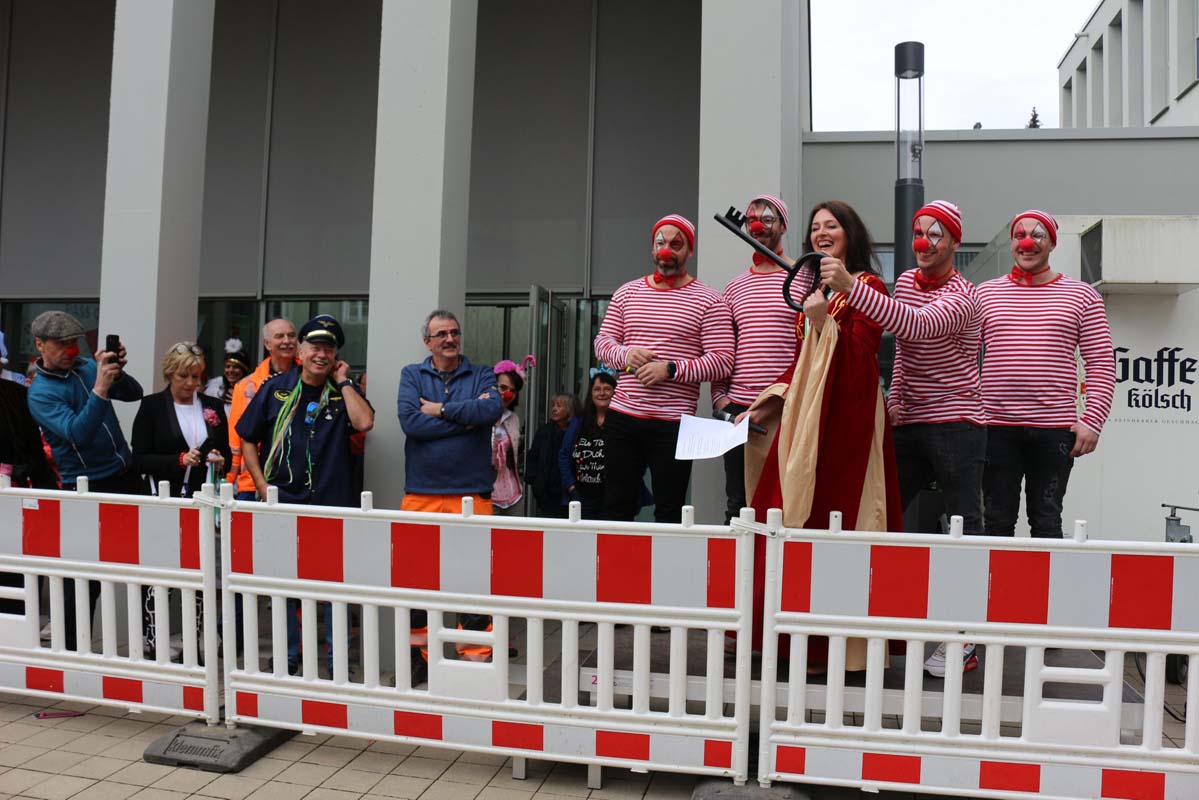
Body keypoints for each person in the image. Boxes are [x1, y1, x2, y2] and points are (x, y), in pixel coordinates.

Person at [821, 200, 984, 679]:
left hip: (957, 423)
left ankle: (965, 638)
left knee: (963, 530)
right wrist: (895, 400)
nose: (924, 243)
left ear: (954, 241)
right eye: (919, 232)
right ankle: (867, 627)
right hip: (911, 423)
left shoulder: (964, 295)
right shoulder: (908, 282)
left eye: (936, 234)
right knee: (882, 514)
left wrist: (850, 287)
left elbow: (916, 327)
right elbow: (906, 355)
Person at [742, 201, 904, 671]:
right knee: (785, 513)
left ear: (850, 234)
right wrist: (766, 403)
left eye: (831, 225)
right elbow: (802, 365)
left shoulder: (866, 287)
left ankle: (838, 649)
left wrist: (820, 321)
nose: (821, 233)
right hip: (805, 421)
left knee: (839, 517)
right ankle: (788, 639)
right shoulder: (816, 292)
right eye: (815, 227)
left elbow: (862, 358)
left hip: (846, 422)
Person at [237, 314, 374, 674]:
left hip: (332, 504)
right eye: (314, 346)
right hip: (285, 501)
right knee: (284, 584)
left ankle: (337, 661)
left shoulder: (342, 392)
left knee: (334, 587)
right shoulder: (275, 388)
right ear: (300, 350)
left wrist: (343, 381)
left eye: (329, 348)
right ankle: (288, 655)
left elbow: (364, 422)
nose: (321, 354)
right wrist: (262, 485)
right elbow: (247, 437)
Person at [977, 209, 1115, 537]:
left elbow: (1101, 362)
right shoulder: (984, 294)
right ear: (1012, 243)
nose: (1027, 242)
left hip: (1054, 430)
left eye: (1037, 235)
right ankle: (999, 575)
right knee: (995, 521)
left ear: (1052, 243)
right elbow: (963, 357)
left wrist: (1093, 420)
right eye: (1019, 235)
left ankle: (1049, 575)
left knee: (1047, 521)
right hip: (995, 428)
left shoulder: (1082, 296)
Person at [593, 214, 735, 522]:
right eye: (660, 242)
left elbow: (723, 360)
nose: (666, 250)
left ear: (690, 250)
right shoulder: (627, 293)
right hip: (623, 418)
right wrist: (626, 354)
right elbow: (602, 344)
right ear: (652, 247)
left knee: (670, 512)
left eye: (676, 244)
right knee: (616, 507)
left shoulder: (710, 301)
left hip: (673, 423)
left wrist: (671, 369)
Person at [27, 311, 144, 652]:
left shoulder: (88, 368)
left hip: (125, 475)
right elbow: (78, 433)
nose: (71, 350)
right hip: (86, 486)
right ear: (40, 345)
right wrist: (101, 387)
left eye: (73, 341)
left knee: (144, 564)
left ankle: (145, 641)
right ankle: (71, 649)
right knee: (82, 577)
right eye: (61, 343)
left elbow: (133, 394)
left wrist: (117, 372)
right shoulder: (40, 393)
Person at [398, 310, 503, 670]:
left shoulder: (482, 374)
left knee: (473, 580)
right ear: (427, 341)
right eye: (441, 334)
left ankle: (474, 658)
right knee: (415, 581)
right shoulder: (412, 375)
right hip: (421, 492)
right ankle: (419, 659)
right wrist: (465, 420)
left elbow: (490, 411)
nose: (449, 339)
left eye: (454, 332)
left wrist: (440, 409)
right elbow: (411, 423)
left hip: (471, 494)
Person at [713, 194, 802, 523]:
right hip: (739, 409)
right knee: (737, 504)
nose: (759, 226)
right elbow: (724, 346)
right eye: (753, 219)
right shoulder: (734, 287)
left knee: (784, 502)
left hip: (784, 406)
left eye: (768, 219)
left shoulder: (802, 278)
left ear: (783, 226)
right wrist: (720, 398)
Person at [133, 342, 231, 498]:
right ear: (170, 374)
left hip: (204, 498)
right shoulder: (152, 406)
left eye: (195, 376)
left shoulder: (214, 406)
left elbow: (227, 456)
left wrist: (220, 462)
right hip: (163, 497)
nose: (191, 383)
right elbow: (139, 461)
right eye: (183, 376)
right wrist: (179, 460)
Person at [226, 319, 298, 501]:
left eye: (291, 335)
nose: (287, 341)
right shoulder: (246, 386)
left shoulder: (309, 378)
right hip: (251, 482)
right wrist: (231, 477)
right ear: (267, 344)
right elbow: (236, 438)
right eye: (279, 336)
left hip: (296, 480)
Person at [559, 369, 616, 519]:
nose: (602, 393)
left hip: (613, 497)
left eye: (607, 389)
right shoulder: (579, 421)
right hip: (581, 497)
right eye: (597, 389)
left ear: (615, 393)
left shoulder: (620, 422)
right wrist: (571, 487)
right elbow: (564, 454)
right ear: (591, 393)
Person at [491, 357, 534, 516]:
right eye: (503, 388)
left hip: (513, 495)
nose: (508, 394)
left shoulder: (513, 418)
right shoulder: (479, 415)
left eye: (513, 391)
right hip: (486, 495)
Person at [527, 392, 576, 517]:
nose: (554, 409)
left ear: (569, 409)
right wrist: (535, 483)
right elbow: (533, 456)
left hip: (568, 493)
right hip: (546, 493)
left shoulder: (576, 431)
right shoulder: (545, 430)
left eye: (559, 406)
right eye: (553, 405)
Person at [204, 338, 251, 417]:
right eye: (228, 366)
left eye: (236, 367)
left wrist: (239, 402)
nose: (231, 370)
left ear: (244, 370)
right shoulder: (215, 388)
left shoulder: (251, 388)